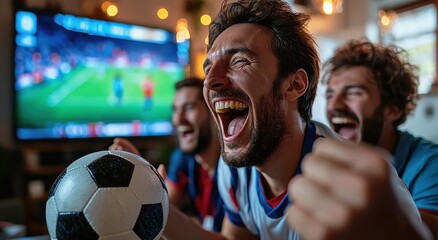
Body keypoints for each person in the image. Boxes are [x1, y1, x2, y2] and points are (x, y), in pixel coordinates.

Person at [162, 0, 431, 239]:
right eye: (207, 68)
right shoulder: (233, 171)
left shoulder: (353, 187)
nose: (210, 81)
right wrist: (162, 211)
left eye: (240, 61)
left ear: (294, 85)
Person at [323, 38, 438, 238]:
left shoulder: (429, 163)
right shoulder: (321, 157)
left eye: (353, 93)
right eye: (330, 95)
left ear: (392, 109)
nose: (335, 106)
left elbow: (427, 232)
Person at [109, 77, 224, 232]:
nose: (178, 119)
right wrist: (139, 173)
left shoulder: (235, 168)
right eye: (175, 110)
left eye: (189, 108)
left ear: (213, 113)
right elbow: (162, 207)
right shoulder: (183, 157)